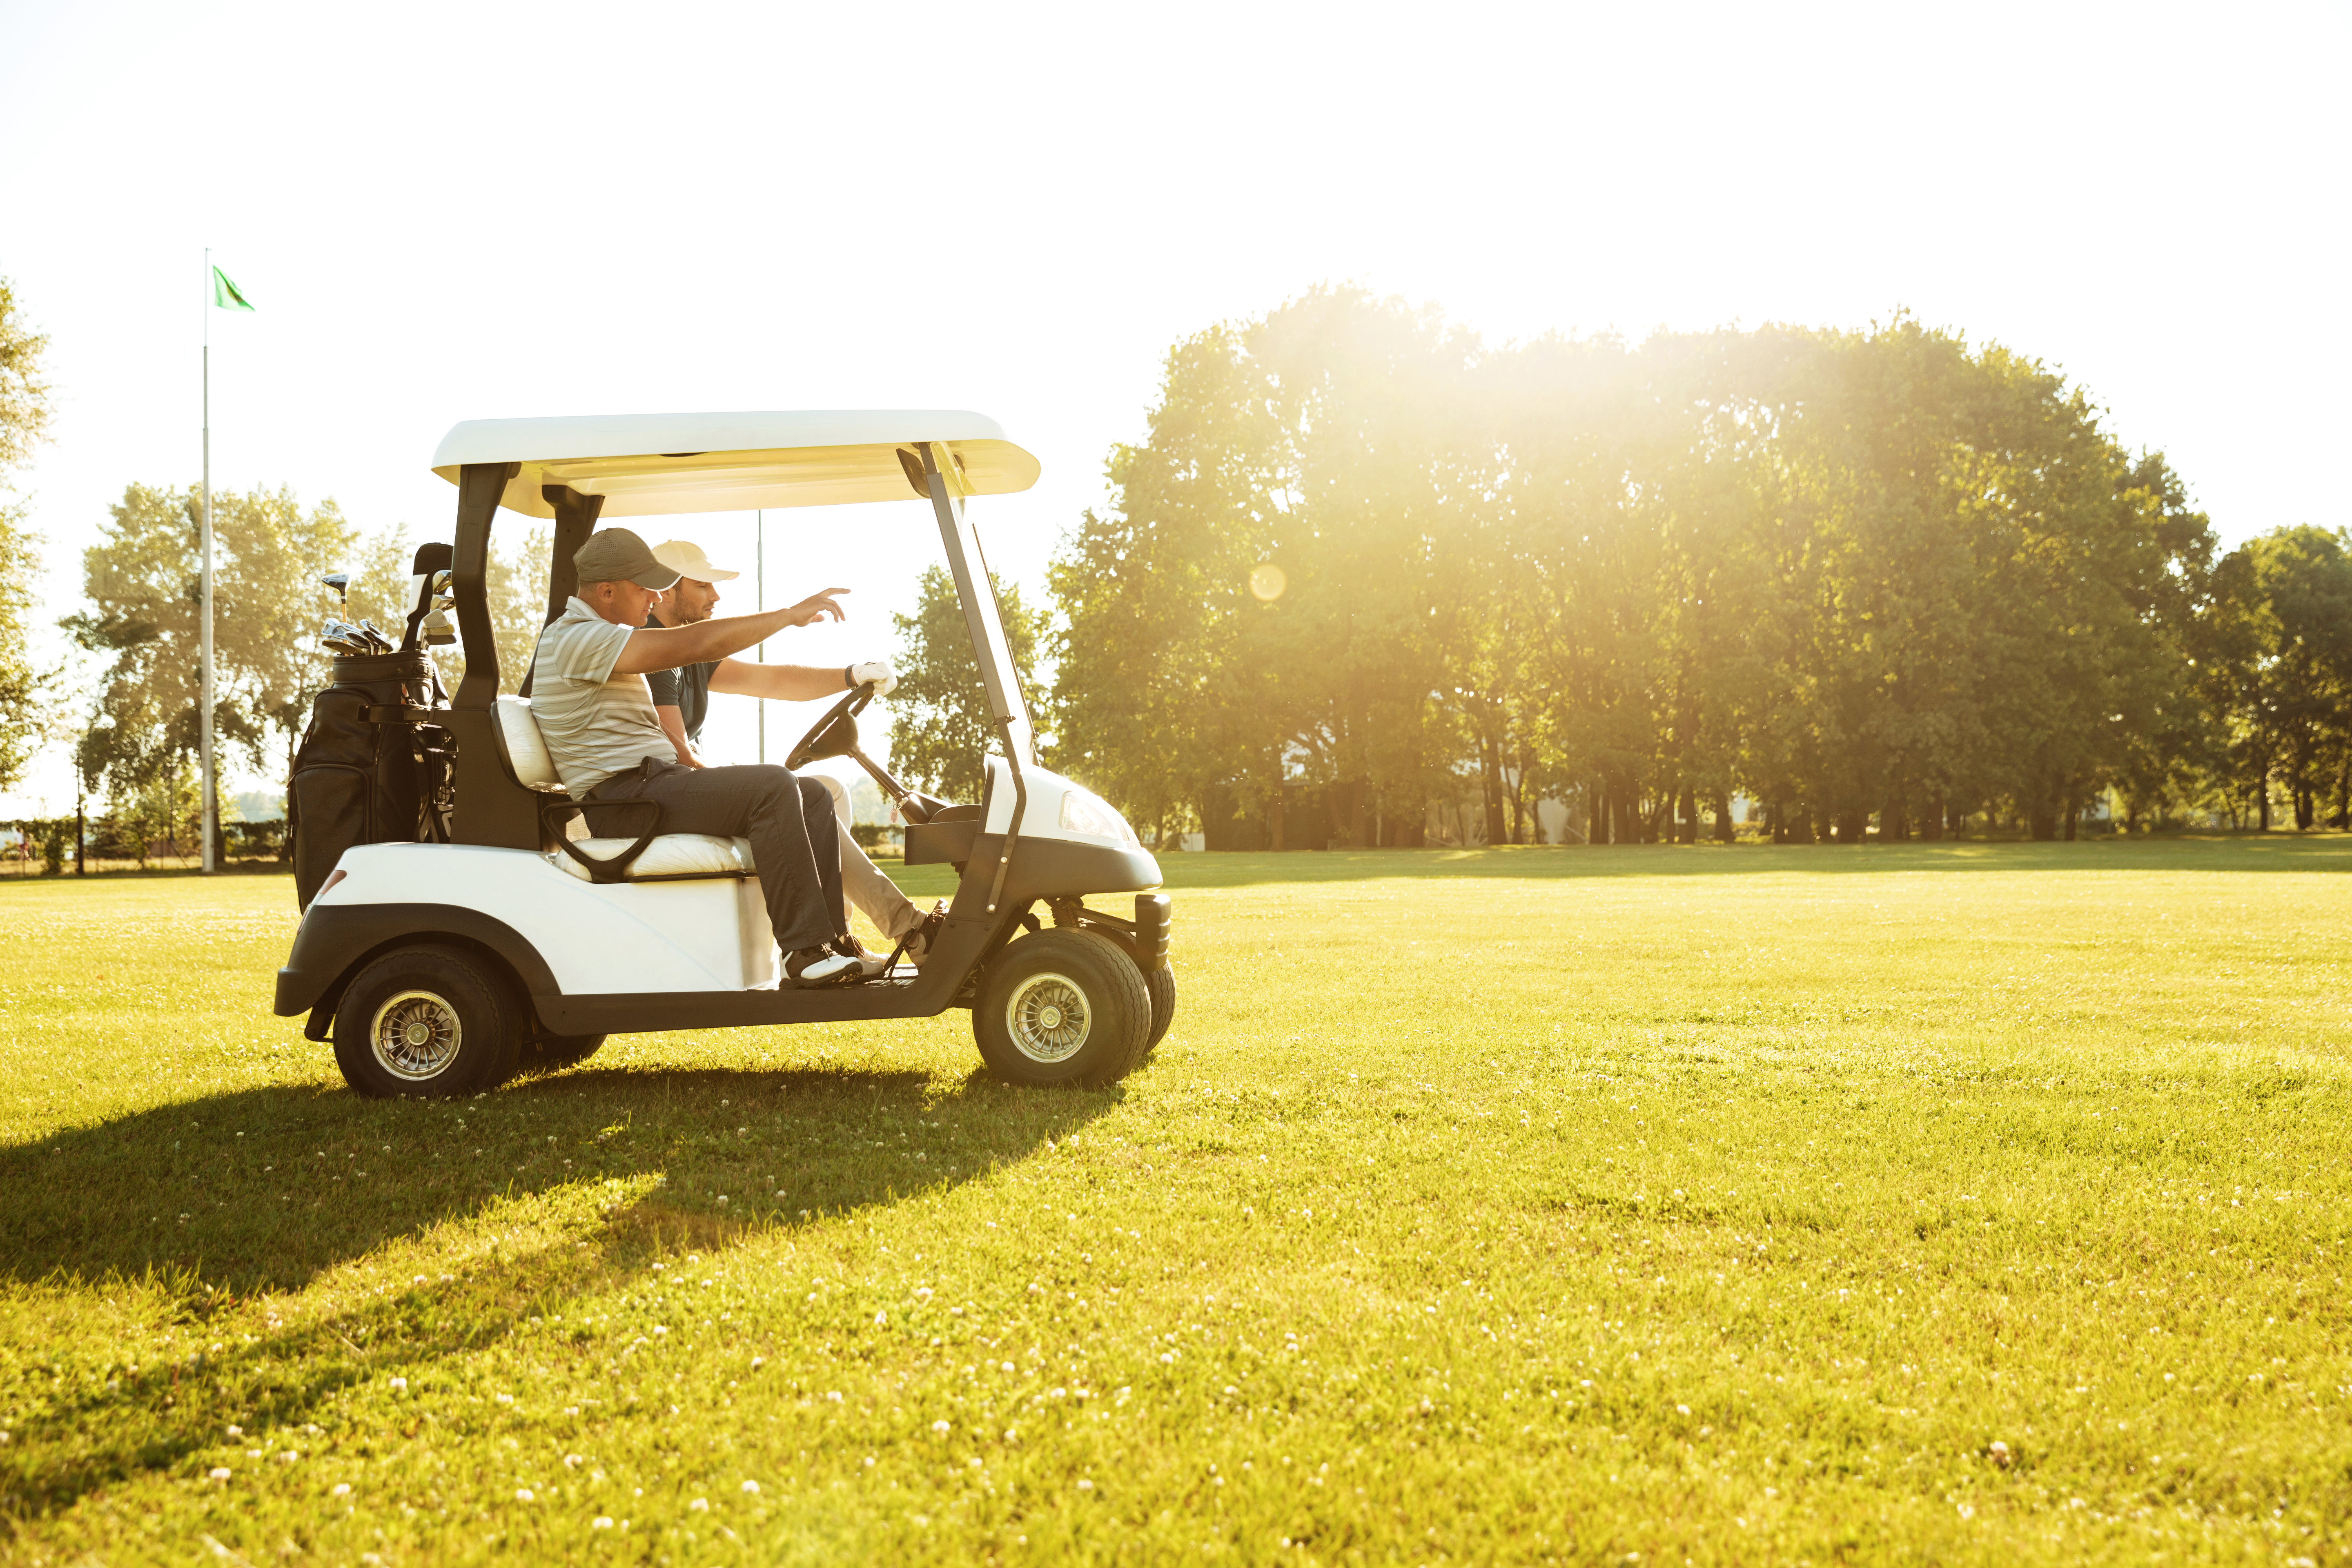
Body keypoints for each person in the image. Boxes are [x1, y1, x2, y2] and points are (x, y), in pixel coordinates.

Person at [528, 526, 877, 987]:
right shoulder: (576, 638)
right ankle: (804, 953)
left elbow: (759, 675)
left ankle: (830, 944)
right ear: (607, 592)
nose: (653, 600)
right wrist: (789, 615)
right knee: (773, 786)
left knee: (809, 794)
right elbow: (694, 644)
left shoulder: (603, 635)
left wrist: (850, 674)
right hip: (624, 802)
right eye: (644, 589)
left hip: (651, 788)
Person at [646, 538, 944, 974]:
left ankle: (840, 939)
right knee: (793, 795)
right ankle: (911, 930)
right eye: (704, 586)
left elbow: (777, 681)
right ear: (667, 590)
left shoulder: (689, 652)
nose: (717, 596)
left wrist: (850, 675)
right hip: (670, 794)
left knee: (831, 792)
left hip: (691, 788)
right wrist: (738, 780)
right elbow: (678, 751)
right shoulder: (653, 650)